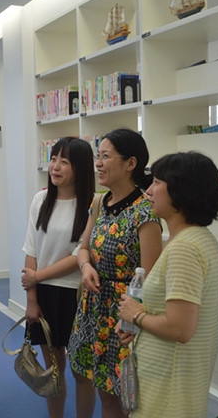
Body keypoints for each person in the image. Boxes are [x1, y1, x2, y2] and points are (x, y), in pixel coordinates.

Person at [117, 152, 218, 417]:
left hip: (167, 389)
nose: (149, 190)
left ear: (181, 191)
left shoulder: (184, 248)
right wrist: (139, 323)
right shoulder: (197, 238)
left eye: (157, 182)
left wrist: (136, 315)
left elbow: (180, 328)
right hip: (170, 381)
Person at [68, 128, 163, 418]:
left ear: (131, 163)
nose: (98, 163)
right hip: (94, 310)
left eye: (106, 157)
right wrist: (86, 267)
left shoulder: (145, 212)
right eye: (98, 156)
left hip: (124, 318)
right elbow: (83, 248)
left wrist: (134, 322)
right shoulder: (100, 202)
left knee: (126, 400)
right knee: (105, 394)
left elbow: (150, 279)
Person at [20, 137, 94, 418]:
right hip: (44, 293)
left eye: (65, 161)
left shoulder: (92, 205)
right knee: (54, 369)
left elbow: (78, 256)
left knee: (81, 372)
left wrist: (36, 277)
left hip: (77, 294)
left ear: (80, 167)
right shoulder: (41, 200)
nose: (55, 166)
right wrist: (32, 299)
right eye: (53, 159)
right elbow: (31, 249)